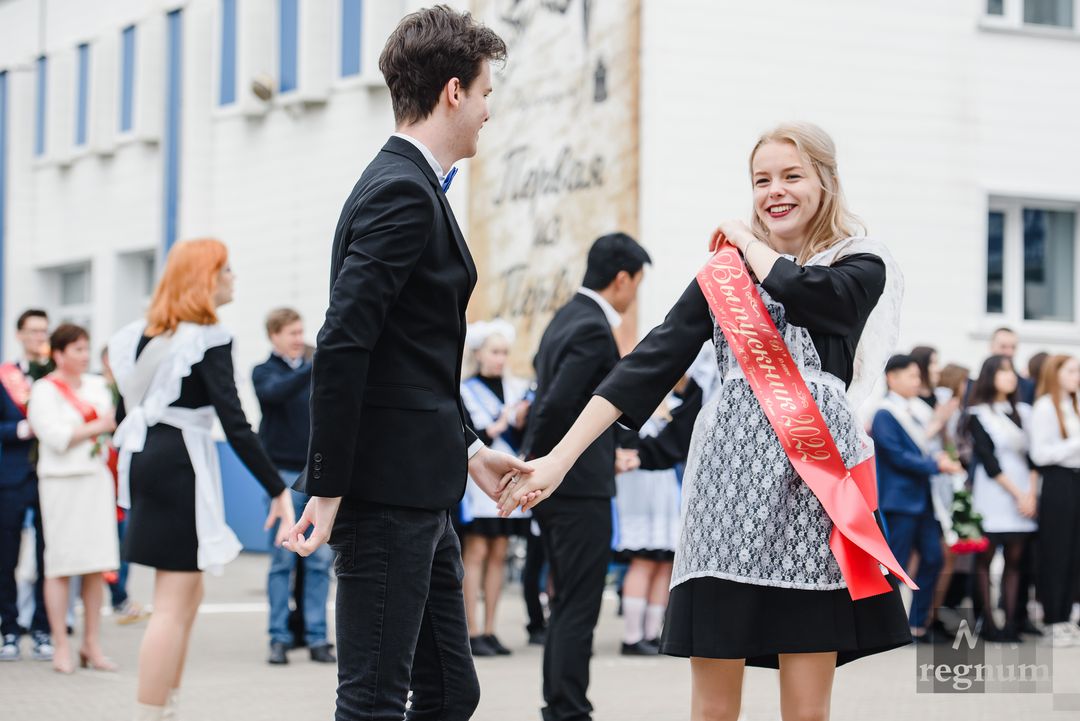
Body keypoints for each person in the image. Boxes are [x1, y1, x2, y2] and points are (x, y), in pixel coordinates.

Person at [502, 122, 914, 721]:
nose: (774, 191)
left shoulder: (861, 263)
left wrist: (748, 243)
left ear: (826, 181)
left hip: (813, 490)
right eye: (760, 180)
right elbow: (647, 363)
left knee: (806, 708)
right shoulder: (725, 277)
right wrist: (558, 459)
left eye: (791, 176)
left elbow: (815, 296)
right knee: (713, 705)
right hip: (726, 495)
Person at [282, 10, 528, 721]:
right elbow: (344, 343)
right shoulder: (400, 189)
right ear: (454, 92)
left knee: (452, 691)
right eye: (485, 92)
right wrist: (326, 488)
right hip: (383, 495)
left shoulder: (415, 185)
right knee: (374, 701)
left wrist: (471, 447)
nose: (489, 109)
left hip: (421, 486)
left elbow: (407, 358)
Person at [109, 239, 295, 721]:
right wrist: (276, 486)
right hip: (179, 462)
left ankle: (166, 705)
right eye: (226, 269)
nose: (233, 277)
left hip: (150, 457)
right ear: (205, 279)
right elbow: (235, 421)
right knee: (171, 601)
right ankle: (152, 712)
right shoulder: (209, 335)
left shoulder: (136, 335)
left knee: (187, 594)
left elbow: (121, 413)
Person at [520, 232, 650, 720]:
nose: (635, 292)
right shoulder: (594, 327)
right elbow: (556, 405)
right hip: (575, 487)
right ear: (621, 279)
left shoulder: (563, 317)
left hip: (563, 483)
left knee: (566, 598)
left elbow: (550, 397)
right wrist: (542, 467)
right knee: (579, 602)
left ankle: (561, 702)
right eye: (636, 282)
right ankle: (568, 708)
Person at [26, 324, 120, 673]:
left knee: (96, 564)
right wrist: (96, 427)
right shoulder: (44, 390)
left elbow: (114, 425)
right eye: (76, 349)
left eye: (86, 349)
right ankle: (60, 645)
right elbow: (55, 436)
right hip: (61, 483)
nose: (83, 355)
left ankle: (91, 644)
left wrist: (97, 430)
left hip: (95, 480)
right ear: (59, 353)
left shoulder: (98, 386)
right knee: (61, 565)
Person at [253, 308, 335, 666]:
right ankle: (278, 637)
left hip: (315, 476)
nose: (299, 338)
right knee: (282, 561)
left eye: (301, 331)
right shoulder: (264, 372)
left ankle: (317, 637)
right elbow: (275, 394)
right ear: (274, 336)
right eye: (291, 332)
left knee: (318, 561)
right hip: (282, 478)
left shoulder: (314, 369)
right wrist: (311, 368)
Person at [873, 355, 962, 642]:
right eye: (911, 376)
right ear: (892, 378)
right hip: (899, 500)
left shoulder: (919, 410)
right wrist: (936, 465)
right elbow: (897, 456)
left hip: (924, 499)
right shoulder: (884, 413)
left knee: (934, 558)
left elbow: (926, 446)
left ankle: (917, 623)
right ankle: (885, 626)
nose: (917, 381)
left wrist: (938, 457)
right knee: (895, 564)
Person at [459, 319, 531, 657]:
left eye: (504, 352)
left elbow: (523, 435)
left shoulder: (518, 389)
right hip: (479, 484)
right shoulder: (465, 389)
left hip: (510, 475)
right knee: (476, 552)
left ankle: (490, 628)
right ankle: (470, 630)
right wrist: (499, 424)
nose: (500, 359)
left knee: (500, 551)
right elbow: (470, 436)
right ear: (479, 354)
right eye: (494, 352)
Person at [964, 354, 1037, 642]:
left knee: (1015, 561)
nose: (1010, 377)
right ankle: (988, 624)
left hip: (1023, 494)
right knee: (985, 559)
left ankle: (1010, 624)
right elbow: (988, 461)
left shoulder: (1023, 412)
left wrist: (1030, 494)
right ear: (989, 375)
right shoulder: (977, 414)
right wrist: (1020, 494)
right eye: (1003, 371)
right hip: (994, 493)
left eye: (1012, 372)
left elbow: (1035, 458)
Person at [0, 309, 54, 662]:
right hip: (12, 475)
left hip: (50, 475)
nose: (38, 337)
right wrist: (22, 429)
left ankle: (42, 627)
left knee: (49, 556)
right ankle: (8, 628)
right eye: (32, 331)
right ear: (20, 334)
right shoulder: (6, 376)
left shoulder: (54, 377)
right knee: (7, 554)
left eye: (43, 331)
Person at [614, 389, 683, 656]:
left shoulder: (677, 403)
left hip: (667, 486)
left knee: (665, 560)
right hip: (639, 486)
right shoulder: (629, 402)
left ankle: (653, 634)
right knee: (643, 559)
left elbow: (677, 442)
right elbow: (630, 445)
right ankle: (632, 636)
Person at [1029, 355, 1080, 647]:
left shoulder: (1074, 405)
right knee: (1057, 551)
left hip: (1076, 479)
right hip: (1058, 481)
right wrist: (1075, 443)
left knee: (1074, 552)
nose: (1077, 376)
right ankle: (1053, 619)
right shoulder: (1045, 407)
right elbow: (1040, 454)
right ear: (1056, 373)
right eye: (1071, 370)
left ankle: (1067, 615)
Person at [100, 347, 150, 626]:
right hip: (98, 478)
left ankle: (120, 595)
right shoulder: (95, 389)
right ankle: (113, 594)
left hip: (123, 477)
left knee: (124, 540)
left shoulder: (130, 390)